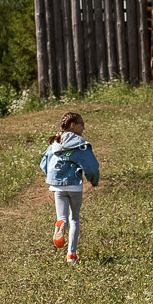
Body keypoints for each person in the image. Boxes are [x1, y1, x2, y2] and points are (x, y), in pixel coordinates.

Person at [39, 111, 101, 262]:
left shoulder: (55, 142)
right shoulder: (80, 144)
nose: (83, 128)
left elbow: (44, 163)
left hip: (57, 187)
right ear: (73, 125)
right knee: (74, 218)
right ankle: (71, 255)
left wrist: (53, 176)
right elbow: (92, 168)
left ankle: (61, 225)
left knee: (62, 218)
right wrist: (94, 180)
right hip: (74, 186)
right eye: (82, 125)